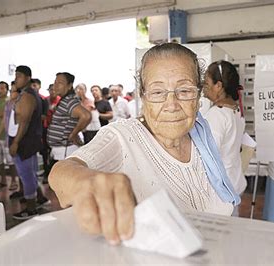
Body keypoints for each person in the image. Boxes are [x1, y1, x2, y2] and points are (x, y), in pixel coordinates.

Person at [49, 43, 240, 245]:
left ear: (199, 94)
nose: (172, 105)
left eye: (184, 91)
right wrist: (89, 183)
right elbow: (61, 172)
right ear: (143, 95)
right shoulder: (124, 137)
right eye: (158, 92)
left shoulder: (202, 137)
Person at [202, 60, 246, 216]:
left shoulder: (217, 115)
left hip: (220, 190)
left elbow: (209, 156)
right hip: (233, 182)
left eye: (206, 82)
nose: (203, 86)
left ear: (218, 86)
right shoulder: (235, 110)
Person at [9, 65, 42, 220]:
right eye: (16, 76)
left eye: (19, 76)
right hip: (28, 140)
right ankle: (40, 198)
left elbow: (25, 121)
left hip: (24, 142)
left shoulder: (28, 96)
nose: (16, 79)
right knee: (31, 172)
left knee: (26, 175)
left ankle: (31, 209)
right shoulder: (26, 94)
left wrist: (15, 142)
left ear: (28, 78)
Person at [47, 72, 91, 162]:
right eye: (55, 82)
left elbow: (86, 116)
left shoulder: (69, 100)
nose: (55, 85)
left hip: (65, 151)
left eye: (60, 83)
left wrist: (73, 134)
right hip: (61, 150)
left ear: (69, 85)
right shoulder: (65, 99)